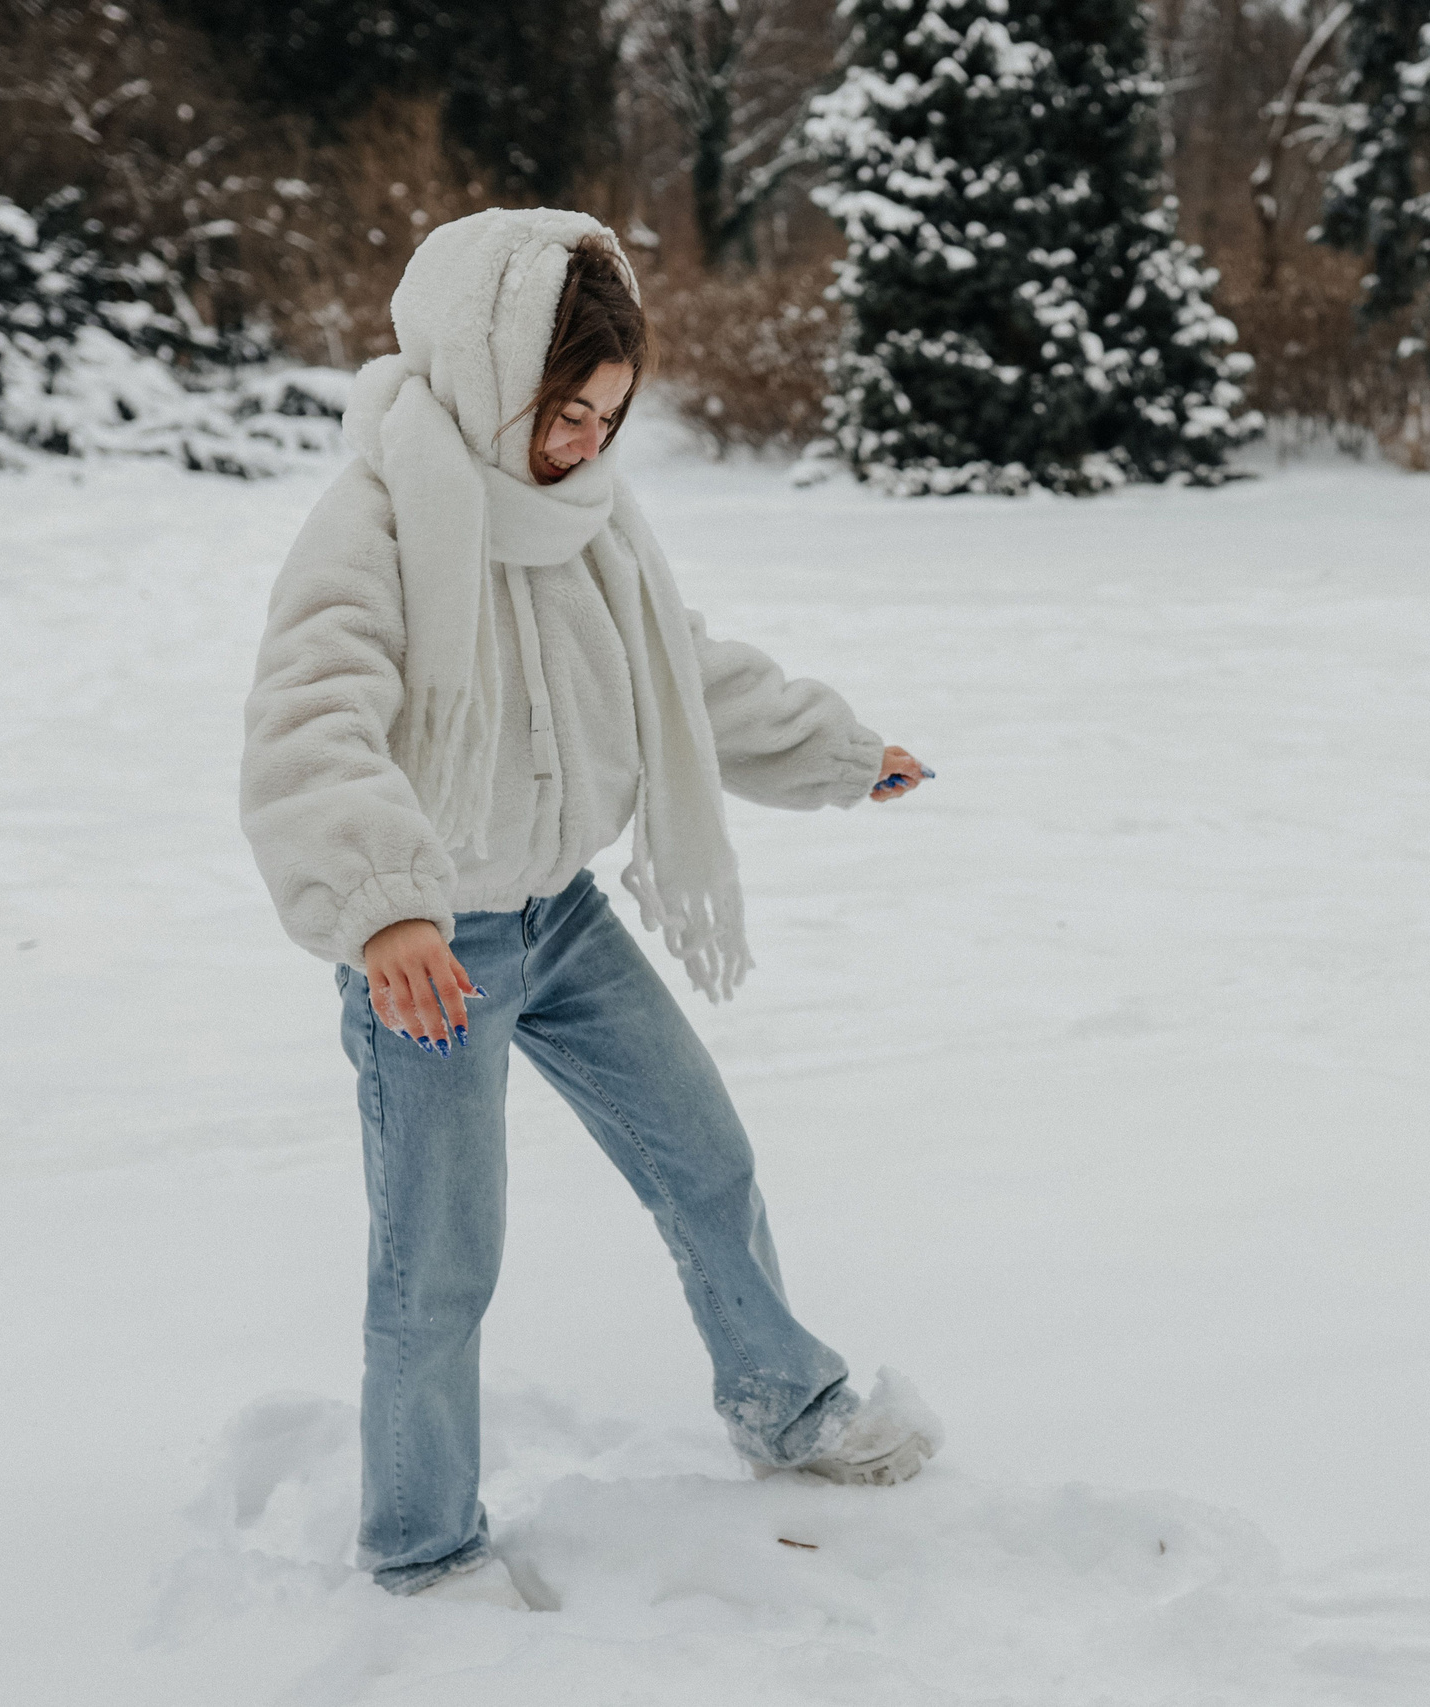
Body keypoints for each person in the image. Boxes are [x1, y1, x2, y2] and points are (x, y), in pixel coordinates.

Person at [238, 207, 941, 1607]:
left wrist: (837, 754)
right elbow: (311, 724)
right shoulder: (377, 516)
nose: (584, 445)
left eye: (610, 417)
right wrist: (387, 910)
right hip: (433, 952)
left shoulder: (586, 519)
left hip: (560, 915)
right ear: (492, 370)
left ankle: (786, 1404)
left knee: (706, 1159)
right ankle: (424, 1550)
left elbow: (681, 674)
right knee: (439, 1267)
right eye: (564, 413)